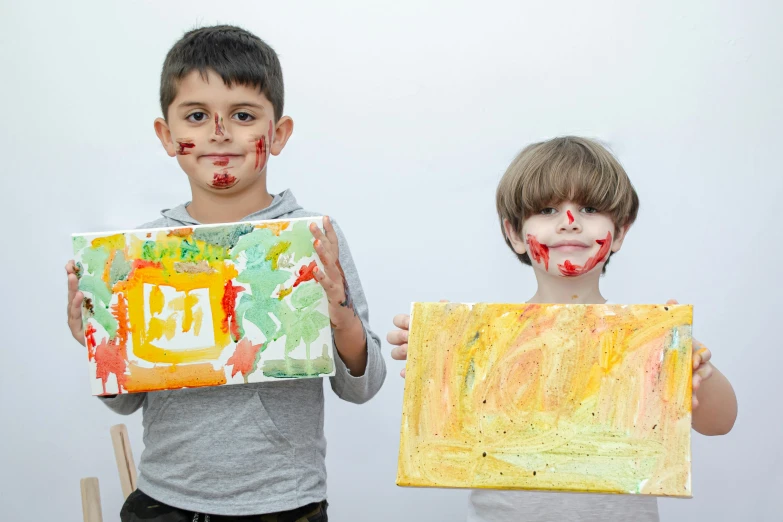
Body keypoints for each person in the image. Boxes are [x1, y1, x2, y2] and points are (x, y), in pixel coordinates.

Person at [65, 25, 386, 521]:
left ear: (277, 134)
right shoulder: (137, 253)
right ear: (168, 137)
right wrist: (97, 340)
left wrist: (341, 317)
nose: (219, 132)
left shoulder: (315, 239)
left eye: (242, 115)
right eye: (196, 116)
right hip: (165, 500)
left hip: (285, 502)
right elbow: (125, 405)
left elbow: (362, 387)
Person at [387, 136, 737, 522]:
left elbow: (720, 423)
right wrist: (434, 359)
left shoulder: (647, 341)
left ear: (619, 232)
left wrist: (694, 366)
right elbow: (442, 441)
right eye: (548, 209)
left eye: (588, 208)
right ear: (516, 233)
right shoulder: (477, 340)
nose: (569, 223)